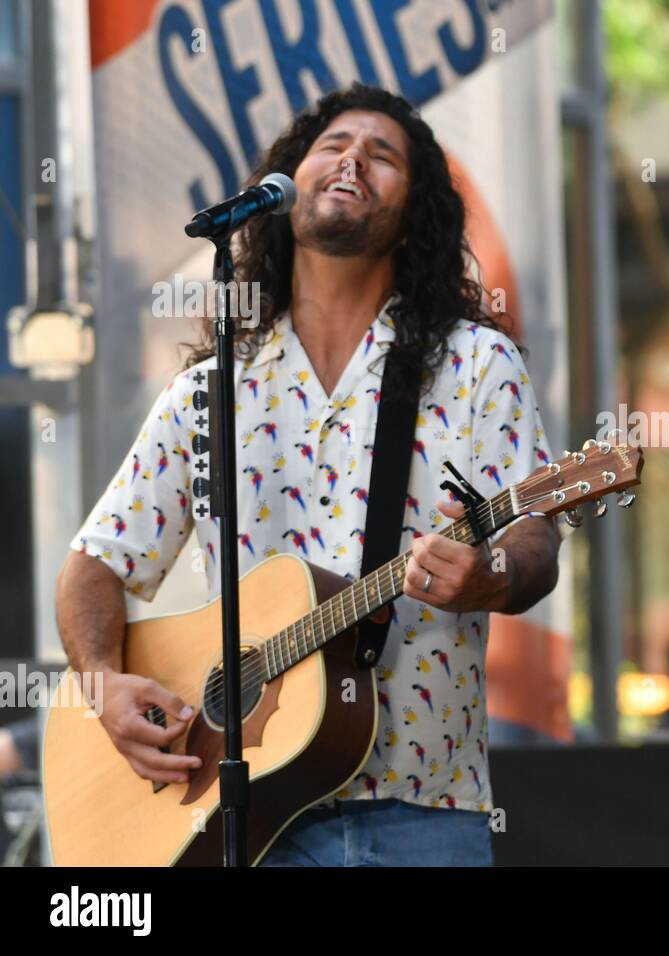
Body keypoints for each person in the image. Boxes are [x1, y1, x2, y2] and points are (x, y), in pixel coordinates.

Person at [54, 83, 561, 867]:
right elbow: (95, 561)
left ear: (414, 209)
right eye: (332, 146)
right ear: (286, 187)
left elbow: (533, 538)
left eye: (382, 154)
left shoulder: (474, 364)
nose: (352, 158)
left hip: (422, 806)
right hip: (242, 817)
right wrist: (101, 682)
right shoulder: (214, 388)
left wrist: (487, 575)